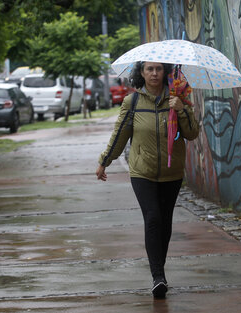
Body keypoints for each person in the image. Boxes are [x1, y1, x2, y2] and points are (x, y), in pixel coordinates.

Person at [96, 61, 200, 298]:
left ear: (165, 72)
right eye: (149, 69)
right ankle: (158, 276)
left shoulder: (177, 98)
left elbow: (192, 133)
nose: (154, 73)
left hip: (172, 172)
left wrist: (181, 108)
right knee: (152, 218)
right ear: (141, 73)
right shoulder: (132, 102)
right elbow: (120, 134)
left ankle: (158, 271)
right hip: (142, 172)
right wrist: (105, 160)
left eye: (158, 69)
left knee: (165, 222)